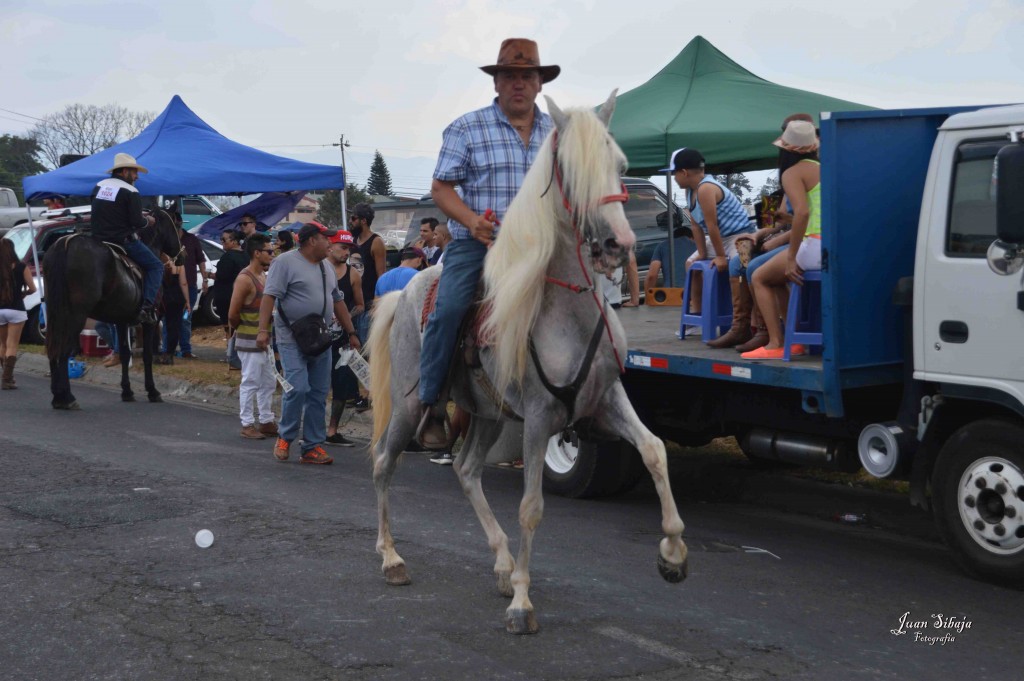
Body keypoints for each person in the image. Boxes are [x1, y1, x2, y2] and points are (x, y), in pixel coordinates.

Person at [417, 37, 559, 448]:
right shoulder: (467, 127)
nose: (519, 84)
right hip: (479, 244)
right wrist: (471, 221)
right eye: (509, 76)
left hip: (540, 247)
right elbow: (441, 188)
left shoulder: (555, 133)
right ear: (496, 83)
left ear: (539, 84)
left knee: (587, 299)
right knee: (450, 310)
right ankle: (432, 404)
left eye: (527, 76)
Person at [256, 221, 361, 465]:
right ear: (312, 239)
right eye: (327, 238)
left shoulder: (326, 266)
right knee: (298, 388)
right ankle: (285, 436)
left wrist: (352, 332)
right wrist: (263, 331)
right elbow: (269, 297)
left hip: (321, 338)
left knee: (319, 392)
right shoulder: (285, 262)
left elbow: (338, 302)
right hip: (292, 338)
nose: (331, 243)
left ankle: (312, 447)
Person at [743, 120, 822, 360]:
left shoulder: (792, 173)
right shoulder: (824, 167)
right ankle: (793, 340)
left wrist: (790, 256)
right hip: (831, 243)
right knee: (772, 279)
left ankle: (776, 342)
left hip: (815, 244)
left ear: (785, 149)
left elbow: (803, 213)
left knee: (758, 277)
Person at [663, 147, 755, 347]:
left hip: (741, 236)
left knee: (740, 267)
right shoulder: (690, 191)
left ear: (684, 172)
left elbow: (712, 225)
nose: (674, 179)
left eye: (674, 174)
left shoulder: (706, 188)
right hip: (720, 238)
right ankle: (697, 315)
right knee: (691, 263)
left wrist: (721, 257)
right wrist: (702, 254)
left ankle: (744, 323)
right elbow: (696, 225)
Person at [89, 153, 163, 324]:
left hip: (98, 241)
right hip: (122, 241)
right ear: (123, 171)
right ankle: (147, 307)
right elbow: (136, 221)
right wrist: (148, 220)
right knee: (156, 266)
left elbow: (107, 211)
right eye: (134, 172)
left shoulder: (98, 186)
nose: (136, 176)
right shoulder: (131, 191)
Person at [228, 233, 279, 439]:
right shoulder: (245, 278)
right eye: (268, 251)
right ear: (257, 253)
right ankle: (247, 423)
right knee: (250, 381)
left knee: (268, 381)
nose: (272, 254)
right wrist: (244, 330)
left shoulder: (263, 276)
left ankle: (266, 420)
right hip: (249, 340)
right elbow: (233, 313)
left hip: (264, 340)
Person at [325, 230, 364, 447]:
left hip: (341, 340)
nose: (346, 253)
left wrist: (346, 318)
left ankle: (332, 430)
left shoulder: (353, 275)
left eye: (349, 248)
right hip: (316, 338)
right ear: (330, 246)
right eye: (343, 247)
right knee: (316, 385)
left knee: (340, 385)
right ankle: (312, 428)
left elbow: (360, 304)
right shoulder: (318, 269)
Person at [164, 210, 208, 359]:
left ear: (180, 223)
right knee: (167, 319)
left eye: (175, 222)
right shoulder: (166, 240)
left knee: (185, 318)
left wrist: (205, 279)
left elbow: (201, 260)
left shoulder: (191, 239)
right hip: (170, 286)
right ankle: (167, 349)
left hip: (190, 285)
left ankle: (185, 349)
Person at [0, 239, 36, 389]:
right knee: (12, 345)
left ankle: (6, 376)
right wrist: (24, 294)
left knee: (2, 344)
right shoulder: (22, 266)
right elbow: (33, 289)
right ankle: (7, 379)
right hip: (16, 309)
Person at [349, 202, 386, 341]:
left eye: (353, 218)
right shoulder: (352, 241)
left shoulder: (376, 242)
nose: (350, 222)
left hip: (368, 305)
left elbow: (381, 275)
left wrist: (378, 304)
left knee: (366, 350)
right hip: (352, 306)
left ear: (363, 220)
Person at [214, 229, 248, 370]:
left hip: (227, 297)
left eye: (224, 240)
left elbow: (221, 275)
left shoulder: (228, 257)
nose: (222, 242)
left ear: (233, 241)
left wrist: (209, 275)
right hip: (243, 297)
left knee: (229, 329)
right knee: (239, 328)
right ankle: (238, 356)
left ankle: (232, 357)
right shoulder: (246, 256)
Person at [156, 226, 191, 366]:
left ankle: (156, 352)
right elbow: (183, 283)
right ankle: (169, 354)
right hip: (176, 296)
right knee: (174, 326)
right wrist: (187, 301)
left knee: (154, 323)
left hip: (162, 295)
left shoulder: (159, 258)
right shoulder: (179, 261)